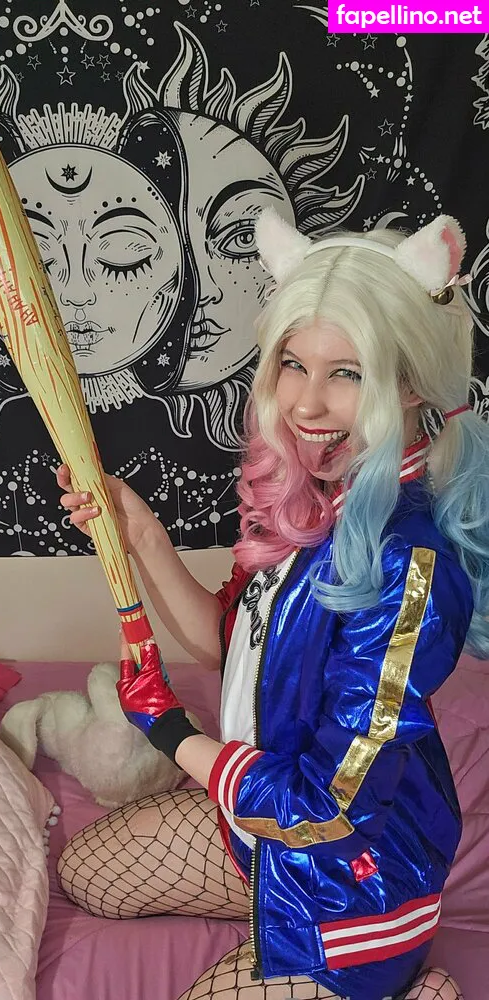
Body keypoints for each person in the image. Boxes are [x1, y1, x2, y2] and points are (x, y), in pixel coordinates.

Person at [56, 208, 489, 1000]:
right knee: (88, 874)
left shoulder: (408, 565)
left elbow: (324, 804)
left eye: (346, 373)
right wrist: (140, 532)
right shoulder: (312, 499)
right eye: (293, 363)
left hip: (351, 884)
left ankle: (416, 988)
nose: (305, 405)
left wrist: (171, 731)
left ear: (409, 384)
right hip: (265, 827)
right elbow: (228, 648)